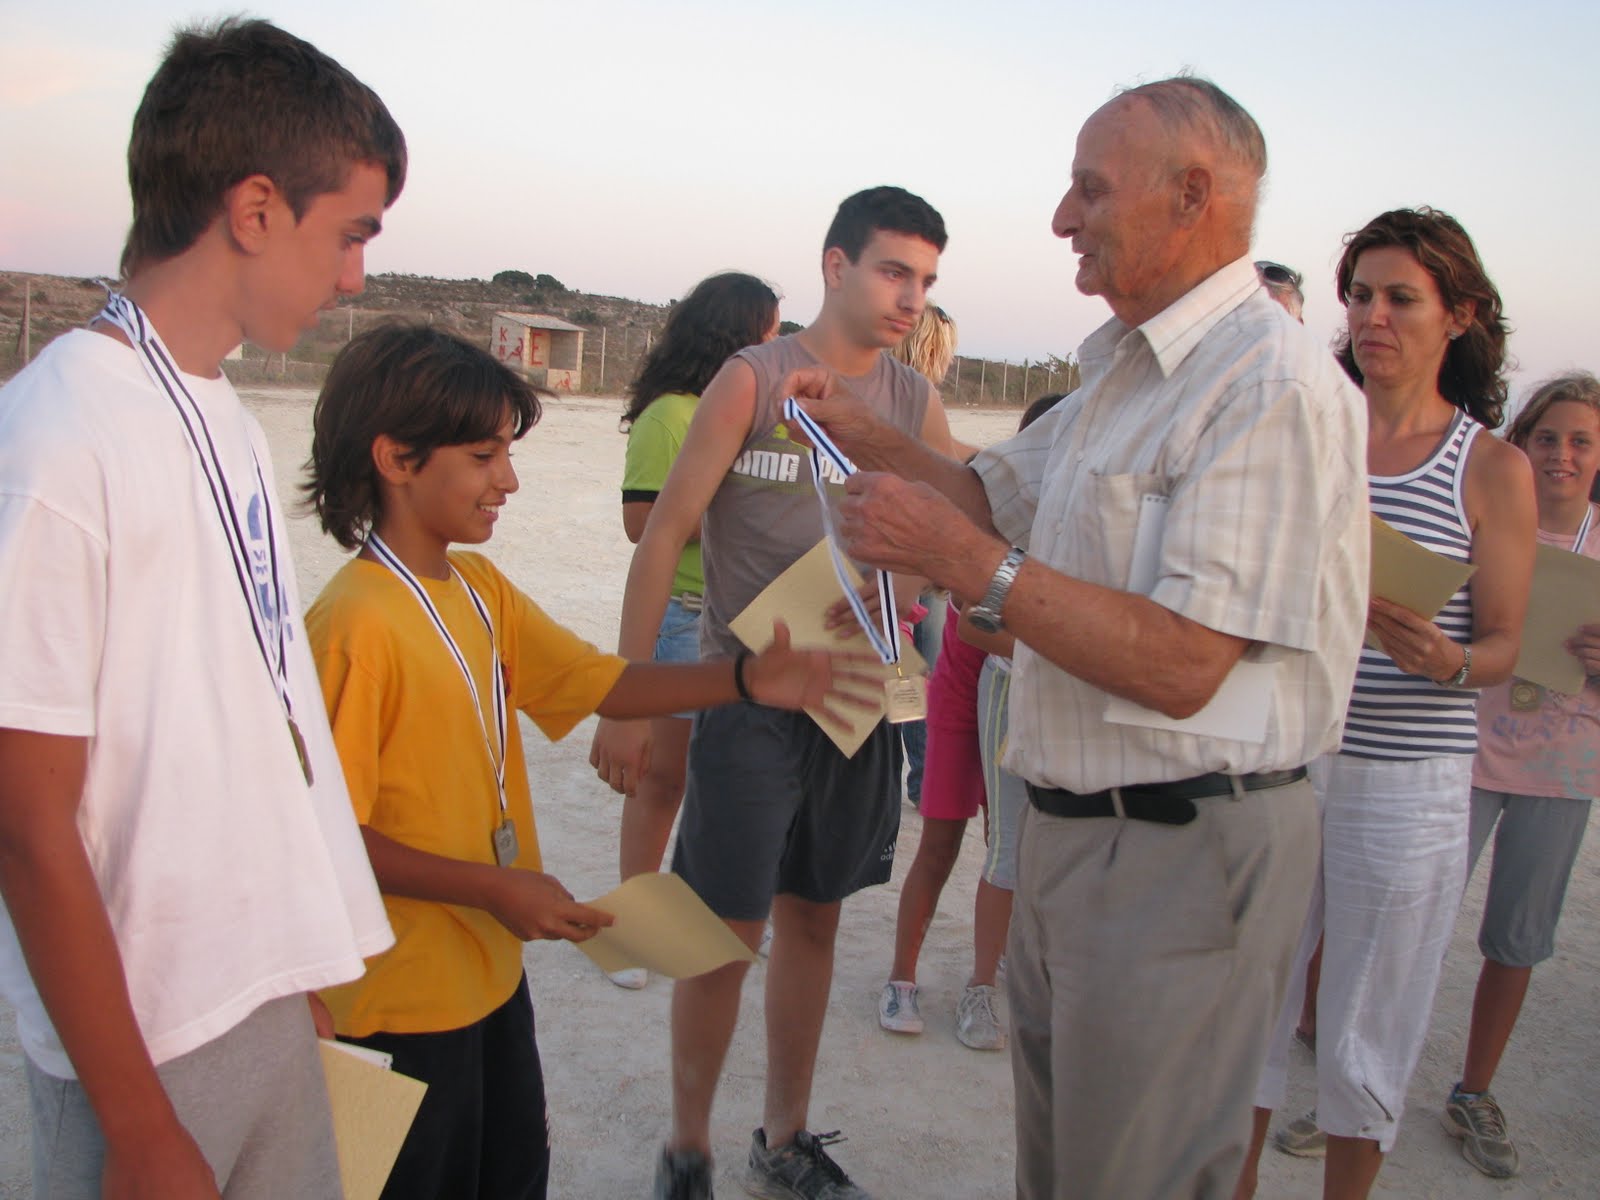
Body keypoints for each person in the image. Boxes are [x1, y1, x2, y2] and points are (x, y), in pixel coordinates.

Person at [783, 77, 1371, 1199]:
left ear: (1190, 195)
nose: (1062, 219)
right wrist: (867, 433)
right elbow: (990, 497)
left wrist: (959, 560)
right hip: (1077, 841)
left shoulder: (1269, 385)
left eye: (1090, 190)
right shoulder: (1124, 367)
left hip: (1181, 852)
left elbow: (1186, 663)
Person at [303, 324, 865, 1200]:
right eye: (484, 456)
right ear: (396, 459)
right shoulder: (355, 626)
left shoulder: (478, 590)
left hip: (491, 981)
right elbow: (327, 840)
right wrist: (494, 887)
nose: (509, 480)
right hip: (398, 1009)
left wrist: (747, 679)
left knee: (511, 1174)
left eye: (508, 454)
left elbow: (602, 681)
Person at [0, 19, 405, 1198]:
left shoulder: (222, 414)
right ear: (256, 209)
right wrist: (137, 1128)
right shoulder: (56, 443)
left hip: (261, 993)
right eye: (351, 235)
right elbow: (25, 821)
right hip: (143, 1040)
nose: (353, 278)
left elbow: (248, 720)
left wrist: (299, 960)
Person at [589, 185, 954, 1200]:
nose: (911, 298)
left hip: (857, 702)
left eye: (926, 281)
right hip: (749, 699)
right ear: (836, 265)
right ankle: (688, 1147)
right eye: (893, 271)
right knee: (722, 931)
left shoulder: (912, 402)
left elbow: (940, 540)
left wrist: (905, 591)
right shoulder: (751, 379)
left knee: (816, 919)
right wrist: (627, 699)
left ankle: (784, 1137)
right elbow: (664, 535)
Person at [1239, 208, 1535, 1200]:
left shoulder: (1490, 466)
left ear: (1460, 314)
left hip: (1409, 779)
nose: (1372, 316)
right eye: (1360, 295)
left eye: (1400, 298)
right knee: (1251, 1003)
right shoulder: (1306, 426)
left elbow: (1505, 642)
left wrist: (1449, 658)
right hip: (1285, 752)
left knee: (1371, 1021)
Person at [598, 271, 781, 990]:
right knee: (661, 783)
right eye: (769, 332)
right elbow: (641, 523)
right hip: (683, 618)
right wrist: (742, 513)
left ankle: (718, 912)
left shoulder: (748, 413)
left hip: (744, 622)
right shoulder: (670, 415)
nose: (778, 346)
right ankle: (630, 928)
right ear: (736, 333)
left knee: (733, 780)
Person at [1441, 371, 1600, 1179]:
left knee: (1517, 939)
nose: (1561, 455)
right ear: (1522, 442)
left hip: (1564, 767)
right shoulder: (1488, 517)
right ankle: (1360, 1084)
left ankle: (1474, 1091)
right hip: (1462, 748)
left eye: (1581, 441)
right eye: (1547, 437)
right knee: (1416, 919)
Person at [877, 393, 1060, 1052]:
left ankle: (993, 971)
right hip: (964, 700)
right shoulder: (993, 518)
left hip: (1014, 692)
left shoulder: (1067, 527)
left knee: (1012, 847)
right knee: (942, 841)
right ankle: (903, 977)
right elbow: (974, 624)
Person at [886, 303, 959, 810]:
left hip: (896, 560)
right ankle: (923, 781)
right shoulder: (919, 401)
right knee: (918, 676)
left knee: (905, 675)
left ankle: (903, 779)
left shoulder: (882, 396)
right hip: (918, 562)